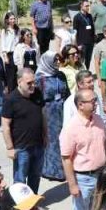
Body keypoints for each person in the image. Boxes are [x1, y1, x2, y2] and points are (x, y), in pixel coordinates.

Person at [59, 86, 106, 210]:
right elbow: (66, 159)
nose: (96, 104)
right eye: (92, 101)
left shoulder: (99, 121)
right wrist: (72, 184)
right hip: (83, 178)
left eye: (96, 100)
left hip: (100, 175)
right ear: (80, 105)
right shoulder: (71, 128)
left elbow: (105, 144)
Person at [3, 69, 48, 194]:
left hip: (38, 144)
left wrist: (46, 134)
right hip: (21, 148)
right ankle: (20, 207)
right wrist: (10, 147)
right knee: (20, 179)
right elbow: (5, 125)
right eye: (29, 83)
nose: (33, 85)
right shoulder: (10, 99)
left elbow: (43, 115)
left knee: (35, 176)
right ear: (19, 82)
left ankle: (32, 203)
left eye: (34, 82)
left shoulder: (37, 93)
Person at [35, 51, 70, 183]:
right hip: (48, 113)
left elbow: (67, 92)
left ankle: (65, 168)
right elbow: (36, 99)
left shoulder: (60, 75)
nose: (57, 62)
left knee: (64, 139)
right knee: (51, 141)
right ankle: (53, 171)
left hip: (62, 110)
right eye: (54, 60)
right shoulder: (40, 79)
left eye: (58, 60)